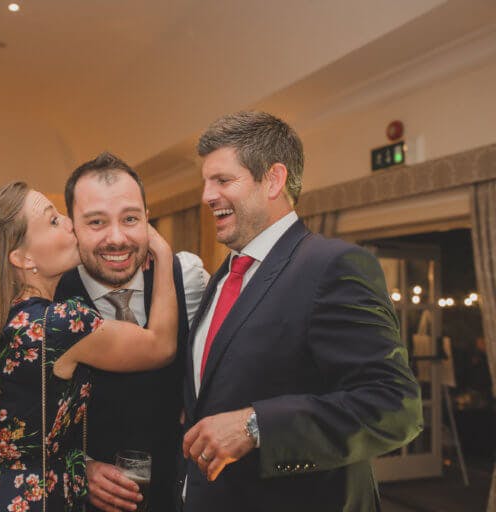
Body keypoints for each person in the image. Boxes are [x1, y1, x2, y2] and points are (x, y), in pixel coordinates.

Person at [180, 111, 423, 511]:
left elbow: (394, 406)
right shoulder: (222, 277)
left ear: (273, 180)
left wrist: (255, 426)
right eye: (206, 182)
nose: (207, 196)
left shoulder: (332, 266)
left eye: (222, 180)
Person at [0, 181, 178, 511]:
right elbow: (160, 345)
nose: (69, 222)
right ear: (22, 258)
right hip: (25, 499)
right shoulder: (60, 323)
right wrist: (163, 254)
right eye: (53, 220)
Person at [55, 152, 208, 512]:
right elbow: (18, 420)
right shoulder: (51, 299)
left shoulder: (188, 280)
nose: (117, 238)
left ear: (147, 220)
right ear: (72, 227)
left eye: (130, 219)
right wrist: (78, 467)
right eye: (96, 222)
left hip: (172, 495)